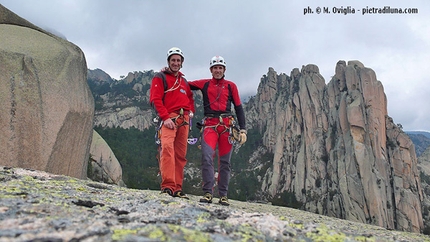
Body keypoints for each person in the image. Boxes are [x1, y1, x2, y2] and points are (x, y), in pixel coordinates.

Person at [189, 55, 247, 206]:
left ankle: (223, 195)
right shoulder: (204, 84)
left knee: (225, 162)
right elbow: (185, 84)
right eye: (215, 68)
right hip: (210, 125)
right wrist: (169, 74)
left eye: (220, 68)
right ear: (211, 70)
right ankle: (208, 192)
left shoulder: (231, 86)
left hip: (227, 126)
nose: (218, 70)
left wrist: (243, 129)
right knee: (207, 157)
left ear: (224, 70)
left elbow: (239, 107)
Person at [149, 47, 195, 199]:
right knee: (167, 149)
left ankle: (177, 187)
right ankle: (168, 186)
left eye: (178, 60)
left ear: (182, 63)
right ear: (168, 62)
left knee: (180, 155)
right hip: (169, 119)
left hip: (184, 120)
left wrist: (190, 113)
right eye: (173, 60)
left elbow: (190, 98)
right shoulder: (160, 77)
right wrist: (165, 118)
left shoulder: (184, 81)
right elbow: (155, 99)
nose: (176, 63)